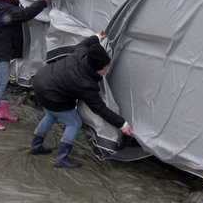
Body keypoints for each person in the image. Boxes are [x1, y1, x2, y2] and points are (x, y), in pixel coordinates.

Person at [28, 31, 133, 168]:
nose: (107, 70)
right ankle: (62, 158)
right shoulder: (86, 84)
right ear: (95, 69)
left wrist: (96, 37)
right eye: (105, 68)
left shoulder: (82, 53)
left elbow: (86, 43)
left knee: (51, 115)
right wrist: (123, 124)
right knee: (74, 122)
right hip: (51, 93)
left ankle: (35, 146)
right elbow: (99, 108)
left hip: (41, 81)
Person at [0, 0, 52, 131]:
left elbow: (16, 8)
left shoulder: (0, 6)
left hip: (0, 48)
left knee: (2, 79)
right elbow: (25, 14)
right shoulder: (4, 10)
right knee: (1, 81)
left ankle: (2, 111)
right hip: (0, 50)